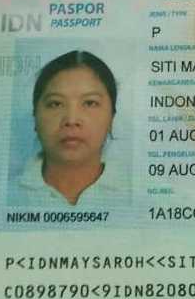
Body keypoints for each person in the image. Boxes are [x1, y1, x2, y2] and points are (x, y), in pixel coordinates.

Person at [16, 50, 128, 207]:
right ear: (35, 116)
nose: (71, 120)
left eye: (90, 103)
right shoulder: (0, 197)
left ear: (111, 118)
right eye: (56, 104)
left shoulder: (138, 196)